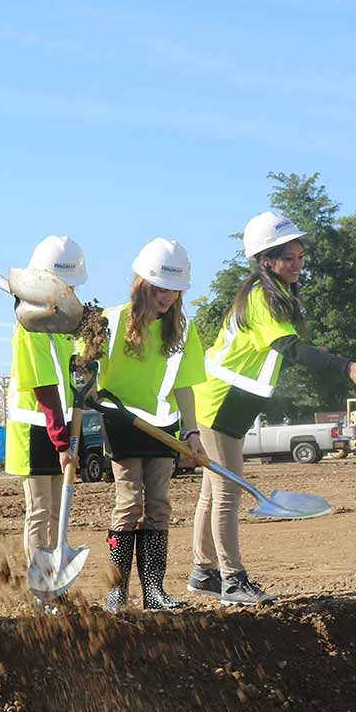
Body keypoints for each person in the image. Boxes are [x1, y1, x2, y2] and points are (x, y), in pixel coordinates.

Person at [189, 210, 356, 605]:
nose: (299, 264)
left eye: (300, 256)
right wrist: (347, 367)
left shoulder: (275, 296)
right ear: (266, 260)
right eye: (290, 258)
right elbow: (289, 349)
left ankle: (202, 571)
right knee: (227, 492)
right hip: (219, 402)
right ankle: (232, 580)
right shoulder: (261, 298)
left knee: (213, 492)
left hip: (230, 402)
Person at [94, 239, 209, 611]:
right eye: (162, 288)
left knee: (158, 506)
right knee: (128, 505)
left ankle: (154, 591)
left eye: (176, 290)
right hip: (121, 420)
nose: (169, 297)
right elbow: (85, 372)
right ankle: (116, 590)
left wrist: (192, 432)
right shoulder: (110, 321)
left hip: (163, 425)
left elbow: (184, 385)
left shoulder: (184, 329)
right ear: (142, 283)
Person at [3, 237, 89, 575]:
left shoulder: (62, 327)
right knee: (40, 509)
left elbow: (68, 379)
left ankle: (53, 575)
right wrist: (61, 443)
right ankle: (41, 580)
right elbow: (44, 387)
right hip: (34, 431)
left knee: (57, 510)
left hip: (58, 428)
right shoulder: (29, 326)